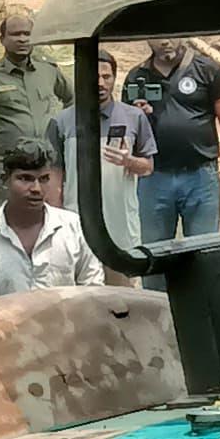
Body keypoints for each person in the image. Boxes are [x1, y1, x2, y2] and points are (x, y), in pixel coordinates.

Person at [136, 35, 220, 245]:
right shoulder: (136, 77)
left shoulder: (208, 69)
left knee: (204, 252)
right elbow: (128, 132)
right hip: (154, 178)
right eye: (157, 35)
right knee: (154, 255)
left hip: (201, 177)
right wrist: (137, 117)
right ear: (146, 38)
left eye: (171, 33)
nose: (165, 41)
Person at [47, 50, 150, 272]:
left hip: (121, 224)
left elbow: (148, 167)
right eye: (95, 77)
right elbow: (54, 179)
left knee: (122, 295)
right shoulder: (62, 121)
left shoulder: (134, 117)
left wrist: (129, 161)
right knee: (81, 294)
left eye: (107, 77)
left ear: (114, 78)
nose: (101, 83)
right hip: (76, 224)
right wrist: (56, 224)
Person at [0, 140, 99, 298]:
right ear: (5, 179)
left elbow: (93, 294)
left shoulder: (75, 229)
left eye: (44, 179)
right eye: (25, 178)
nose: (36, 189)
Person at [0, 14, 66, 175]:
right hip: (7, 170)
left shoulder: (48, 70)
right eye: (15, 34)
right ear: (2, 39)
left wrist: (70, 133)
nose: (22, 39)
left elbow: (74, 99)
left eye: (27, 34)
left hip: (48, 167)